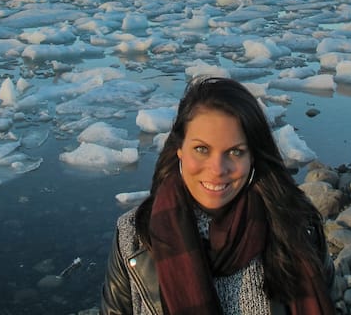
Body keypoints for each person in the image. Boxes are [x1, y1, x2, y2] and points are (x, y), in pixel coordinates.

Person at [100, 76, 335, 315]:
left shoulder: (296, 227)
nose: (217, 170)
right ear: (179, 150)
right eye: (202, 149)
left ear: (253, 156)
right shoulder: (134, 236)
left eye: (235, 151)